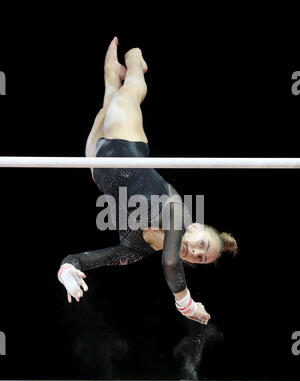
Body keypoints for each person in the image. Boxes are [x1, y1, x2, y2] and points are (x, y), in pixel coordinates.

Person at [57, 37, 238, 324]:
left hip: (97, 164)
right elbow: (169, 262)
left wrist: (68, 271)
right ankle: (134, 58)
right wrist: (187, 306)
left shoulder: (137, 249)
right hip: (125, 140)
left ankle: (115, 72)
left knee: (109, 92)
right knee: (128, 93)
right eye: (201, 245)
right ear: (193, 227)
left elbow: (81, 258)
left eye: (199, 258)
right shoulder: (176, 211)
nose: (193, 252)